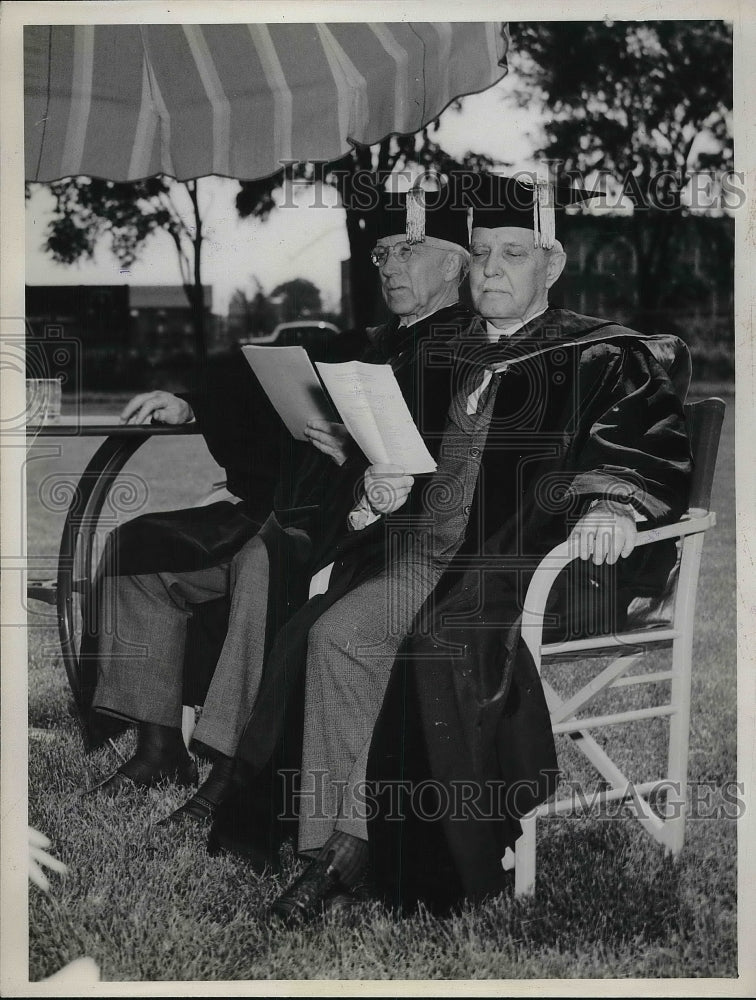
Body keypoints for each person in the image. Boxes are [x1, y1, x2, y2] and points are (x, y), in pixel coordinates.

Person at [228, 172, 692, 922]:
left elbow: (643, 445)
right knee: (337, 634)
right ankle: (325, 841)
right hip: (424, 552)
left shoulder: (606, 356)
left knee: (437, 639)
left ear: (554, 264)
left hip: (524, 565)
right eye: (480, 254)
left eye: (513, 253)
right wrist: (375, 491)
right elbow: (393, 454)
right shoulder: (441, 356)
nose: (492, 270)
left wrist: (611, 503)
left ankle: (377, 850)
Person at [83, 179, 472, 826]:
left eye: (408, 250)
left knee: (263, 562)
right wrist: (190, 401)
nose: (390, 267)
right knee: (140, 549)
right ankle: (158, 744)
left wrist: (360, 450)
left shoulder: (466, 352)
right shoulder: (366, 341)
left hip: (373, 542)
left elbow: (442, 469)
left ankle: (238, 767)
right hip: (295, 512)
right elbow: (256, 379)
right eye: (381, 254)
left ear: (457, 261)